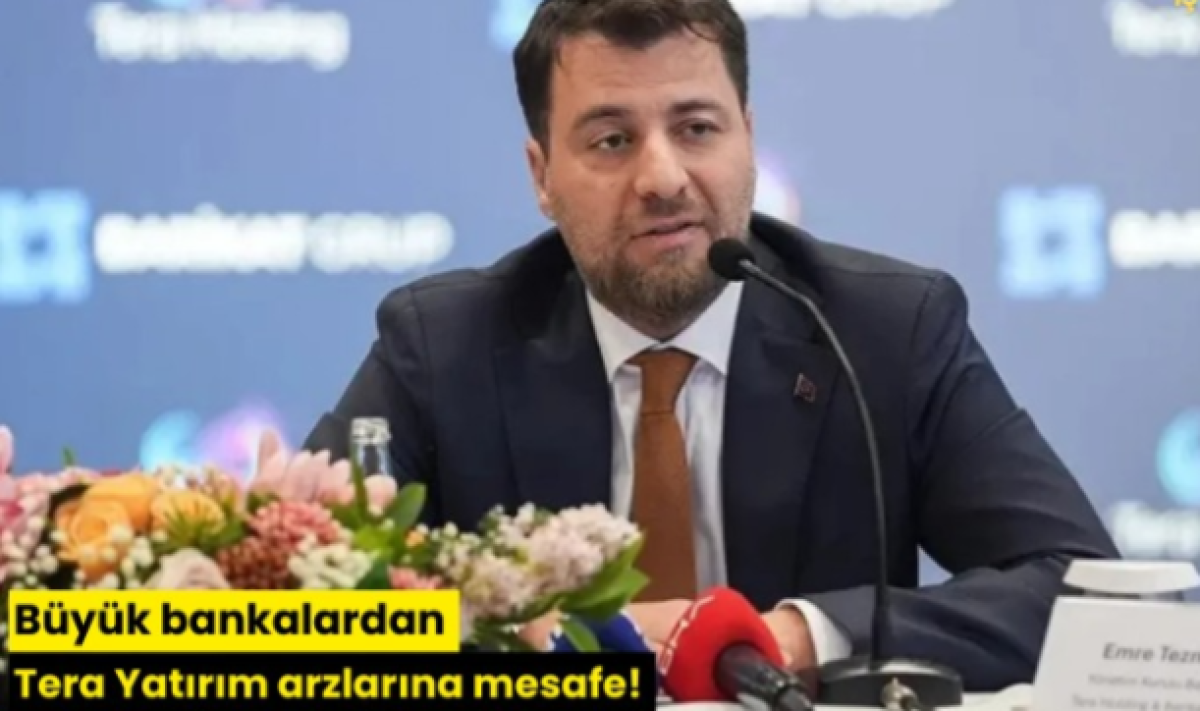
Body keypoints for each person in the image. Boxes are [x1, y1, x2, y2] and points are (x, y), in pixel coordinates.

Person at [305, 0, 1119, 692]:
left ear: (748, 140)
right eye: (611, 140)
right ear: (541, 175)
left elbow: (1091, 596)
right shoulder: (443, 346)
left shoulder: (886, 331)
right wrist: (514, 632)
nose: (663, 177)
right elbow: (289, 615)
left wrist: (793, 637)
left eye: (696, 128)